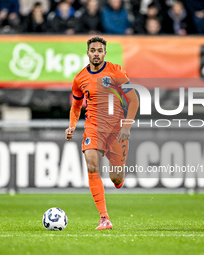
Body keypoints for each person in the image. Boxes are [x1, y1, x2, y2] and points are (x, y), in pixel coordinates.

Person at [65, 37, 139, 230]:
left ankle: (119, 178)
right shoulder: (80, 78)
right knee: (92, 165)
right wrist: (72, 125)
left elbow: (134, 100)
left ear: (105, 53)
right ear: (87, 52)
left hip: (116, 129)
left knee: (116, 177)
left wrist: (126, 127)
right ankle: (104, 218)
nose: (96, 53)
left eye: (100, 50)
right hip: (93, 127)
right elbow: (76, 106)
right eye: (92, 50)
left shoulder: (116, 71)